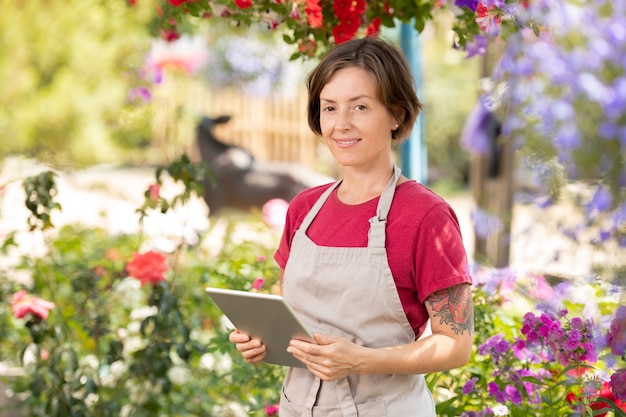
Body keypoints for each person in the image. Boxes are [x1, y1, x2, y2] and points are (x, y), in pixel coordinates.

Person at [229, 36, 474, 416]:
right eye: (330, 108)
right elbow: (294, 321)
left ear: (397, 114)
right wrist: (262, 341)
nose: (341, 124)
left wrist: (361, 360)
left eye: (360, 106)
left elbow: (455, 344)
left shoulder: (427, 217)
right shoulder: (305, 209)